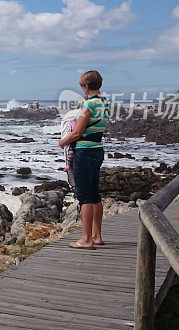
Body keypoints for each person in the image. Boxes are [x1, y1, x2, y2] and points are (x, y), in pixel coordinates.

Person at [58, 70, 110, 249]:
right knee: (95, 195)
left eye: (82, 86)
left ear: (87, 86)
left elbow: (78, 132)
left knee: (85, 198)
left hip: (84, 152)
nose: (82, 89)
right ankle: (97, 236)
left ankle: (86, 239)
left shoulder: (88, 105)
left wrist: (62, 142)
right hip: (98, 151)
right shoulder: (105, 103)